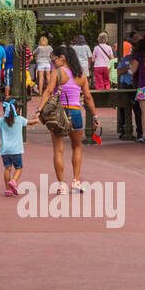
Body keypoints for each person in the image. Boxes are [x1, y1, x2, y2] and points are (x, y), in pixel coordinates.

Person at [38, 46, 96, 194]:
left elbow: (49, 91)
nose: (53, 63)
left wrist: (39, 110)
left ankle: (61, 184)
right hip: (75, 113)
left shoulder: (57, 73)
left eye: (54, 59)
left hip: (59, 113)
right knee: (77, 147)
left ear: (62, 57)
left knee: (58, 150)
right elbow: (88, 97)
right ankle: (76, 181)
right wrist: (95, 116)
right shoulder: (81, 74)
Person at [0, 98, 39, 196]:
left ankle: (8, 190)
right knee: (19, 168)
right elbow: (31, 122)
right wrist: (37, 119)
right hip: (16, 150)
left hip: (5, 150)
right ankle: (14, 181)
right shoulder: (20, 119)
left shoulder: (1, 120)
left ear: (4, 110)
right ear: (16, 109)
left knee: (7, 168)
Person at [32, 36, 53, 101]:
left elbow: (33, 53)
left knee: (41, 78)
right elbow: (52, 53)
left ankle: (40, 92)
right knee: (48, 77)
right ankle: (50, 91)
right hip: (47, 63)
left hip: (40, 63)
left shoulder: (39, 48)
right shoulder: (49, 47)